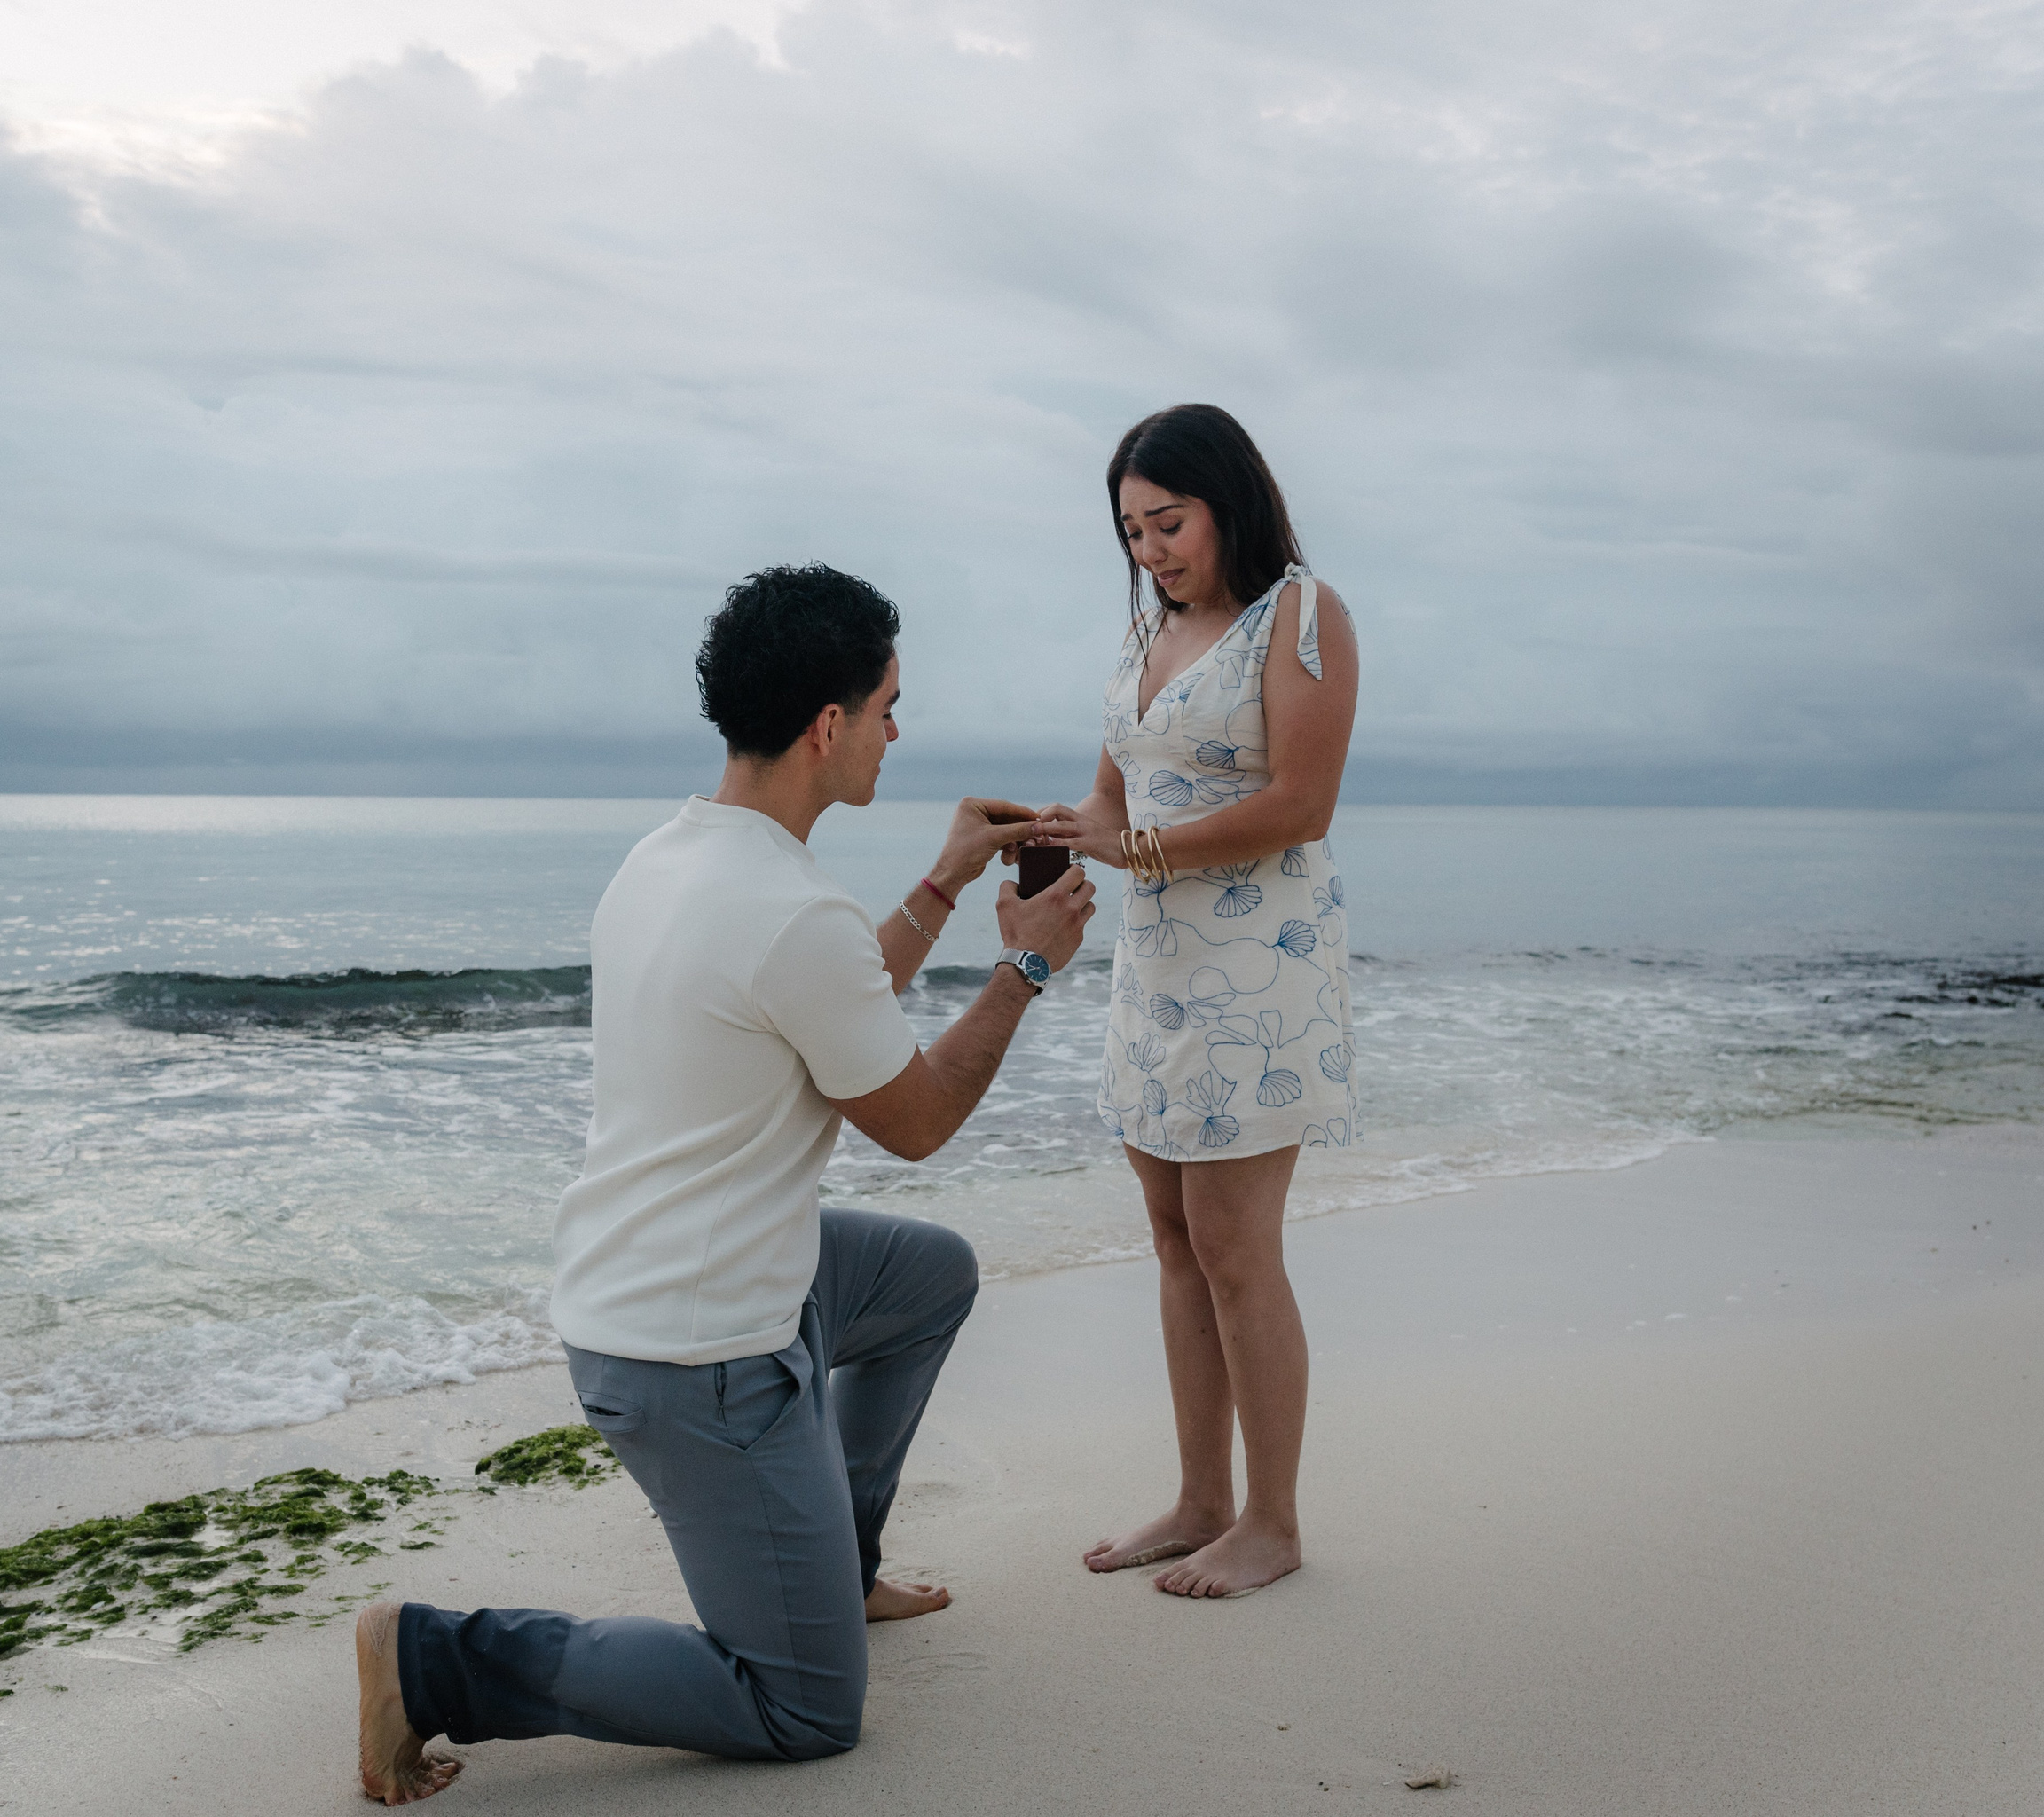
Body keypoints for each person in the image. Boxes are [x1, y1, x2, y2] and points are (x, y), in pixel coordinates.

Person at [355, 562, 1095, 1802]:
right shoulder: (785, 909)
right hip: (695, 1353)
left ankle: (834, 1561)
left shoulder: (675, 854)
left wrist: (946, 880)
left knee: (927, 1276)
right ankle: (435, 1660)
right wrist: (1023, 973)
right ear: (828, 725)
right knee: (804, 1706)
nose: (897, 733)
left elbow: (832, 999)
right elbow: (911, 1119)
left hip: (679, 1282)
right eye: (888, 706)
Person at [1033, 404, 1359, 1600]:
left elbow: (1302, 801)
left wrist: (1143, 853)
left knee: (1234, 1243)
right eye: (1131, 530)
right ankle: (1200, 1498)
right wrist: (1065, 849)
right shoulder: (1142, 633)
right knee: (1171, 1236)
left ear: (1228, 501)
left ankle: (1272, 1521)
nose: (1151, 550)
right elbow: (1112, 803)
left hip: (1257, 968)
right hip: (1153, 966)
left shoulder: (1301, 617)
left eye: (1168, 522)